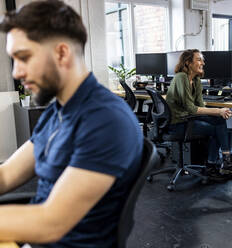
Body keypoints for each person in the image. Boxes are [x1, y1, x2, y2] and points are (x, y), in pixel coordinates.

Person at [0, 1, 143, 247]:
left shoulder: (106, 120)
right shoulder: (59, 110)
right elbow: (6, 174)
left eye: (23, 57)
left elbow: (51, 223)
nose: (16, 72)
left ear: (62, 53)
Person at [166, 49, 232, 180]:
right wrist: (217, 111)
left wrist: (217, 114)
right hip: (178, 123)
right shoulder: (181, 77)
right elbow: (192, 108)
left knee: (219, 121)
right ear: (188, 63)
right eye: (199, 59)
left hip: (188, 118)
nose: (203, 63)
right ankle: (216, 165)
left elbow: (200, 105)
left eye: (202, 60)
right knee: (217, 127)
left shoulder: (196, 80)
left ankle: (224, 161)